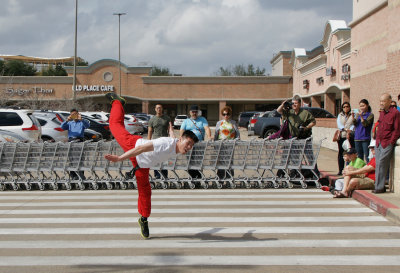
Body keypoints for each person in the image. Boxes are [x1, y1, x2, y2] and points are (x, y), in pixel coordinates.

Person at [104, 93, 198, 239]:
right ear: (182, 139)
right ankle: (117, 102)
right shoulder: (164, 144)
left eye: (192, 145)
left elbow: (173, 137)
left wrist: (171, 129)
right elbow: (140, 149)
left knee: (146, 193)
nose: (189, 147)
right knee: (115, 125)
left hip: (142, 165)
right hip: (133, 145)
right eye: (188, 144)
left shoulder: (175, 144)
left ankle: (143, 219)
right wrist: (120, 158)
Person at [374, 93, 400, 194]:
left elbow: (397, 129)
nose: (381, 103)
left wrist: (391, 142)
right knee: (378, 164)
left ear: (390, 101)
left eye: (383, 101)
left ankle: (379, 187)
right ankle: (379, 186)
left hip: (387, 142)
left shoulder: (395, 113)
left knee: (382, 164)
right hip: (379, 142)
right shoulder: (382, 113)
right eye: (380, 101)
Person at [180, 105, 212, 178]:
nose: (194, 113)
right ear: (190, 112)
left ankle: (198, 177)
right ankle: (194, 177)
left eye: (196, 112)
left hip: (200, 144)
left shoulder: (202, 119)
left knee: (199, 162)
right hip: (188, 145)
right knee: (190, 162)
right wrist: (182, 139)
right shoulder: (186, 121)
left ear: (198, 112)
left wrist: (209, 136)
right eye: (192, 112)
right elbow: (182, 130)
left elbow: (206, 128)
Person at [61, 108, 90, 180]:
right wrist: (67, 120)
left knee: (80, 159)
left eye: (75, 114)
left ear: (78, 114)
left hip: (79, 140)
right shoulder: (70, 123)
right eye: (72, 115)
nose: (74, 116)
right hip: (71, 141)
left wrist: (81, 119)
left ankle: (80, 175)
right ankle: (73, 175)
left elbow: (87, 126)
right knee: (72, 159)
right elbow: (62, 127)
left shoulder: (81, 122)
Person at [214, 106, 240, 179]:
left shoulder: (233, 123)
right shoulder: (219, 123)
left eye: (227, 114)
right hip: (221, 145)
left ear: (230, 114)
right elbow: (216, 134)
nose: (226, 116)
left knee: (230, 162)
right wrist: (215, 144)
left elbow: (237, 133)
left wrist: (236, 140)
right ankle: (220, 178)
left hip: (230, 145)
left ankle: (230, 178)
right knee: (221, 161)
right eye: (224, 114)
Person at [148, 103, 171, 180]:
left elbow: (170, 130)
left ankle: (165, 175)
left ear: (162, 109)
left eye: (160, 108)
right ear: (155, 109)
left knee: (164, 159)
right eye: (157, 108)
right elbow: (150, 131)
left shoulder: (167, 118)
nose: (159, 109)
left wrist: (171, 139)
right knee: (156, 160)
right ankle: (157, 175)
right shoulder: (152, 119)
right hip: (155, 142)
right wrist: (148, 141)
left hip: (165, 142)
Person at [352, 99, 374, 163]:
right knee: (359, 156)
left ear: (367, 105)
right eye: (360, 106)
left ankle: (368, 170)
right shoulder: (358, 115)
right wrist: (353, 117)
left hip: (365, 138)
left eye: (363, 106)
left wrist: (361, 116)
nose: (362, 107)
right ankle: (360, 170)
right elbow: (355, 124)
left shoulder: (370, 115)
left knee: (367, 156)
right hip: (357, 138)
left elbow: (365, 124)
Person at [336, 102, 355, 175]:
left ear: (349, 107)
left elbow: (354, 123)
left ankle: (349, 168)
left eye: (347, 106)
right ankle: (340, 169)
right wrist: (345, 129)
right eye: (344, 107)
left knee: (349, 153)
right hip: (342, 136)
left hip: (350, 136)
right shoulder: (340, 115)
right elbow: (339, 124)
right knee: (341, 153)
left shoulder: (352, 115)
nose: (346, 108)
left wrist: (350, 130)